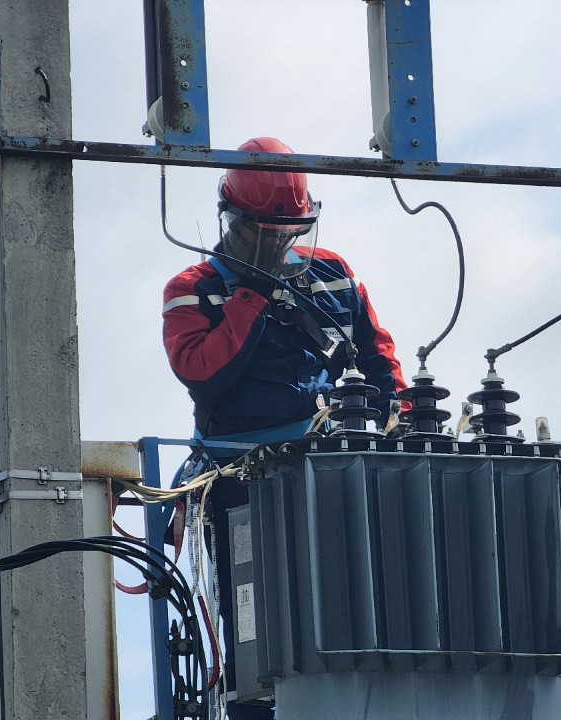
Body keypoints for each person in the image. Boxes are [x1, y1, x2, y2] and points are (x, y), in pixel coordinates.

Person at [161, 137, 407, 718]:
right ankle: (252, 702)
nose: (277, 243)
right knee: (255, 609)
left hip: (328, 473)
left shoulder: (333, 275)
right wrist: (251, 296)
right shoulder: (193, 289)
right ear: (234, 220)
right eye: (263, 235)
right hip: (239, 481)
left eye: (287, 232)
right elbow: (203, 371)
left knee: (354, 594)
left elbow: (377, 357)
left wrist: (399, 415)